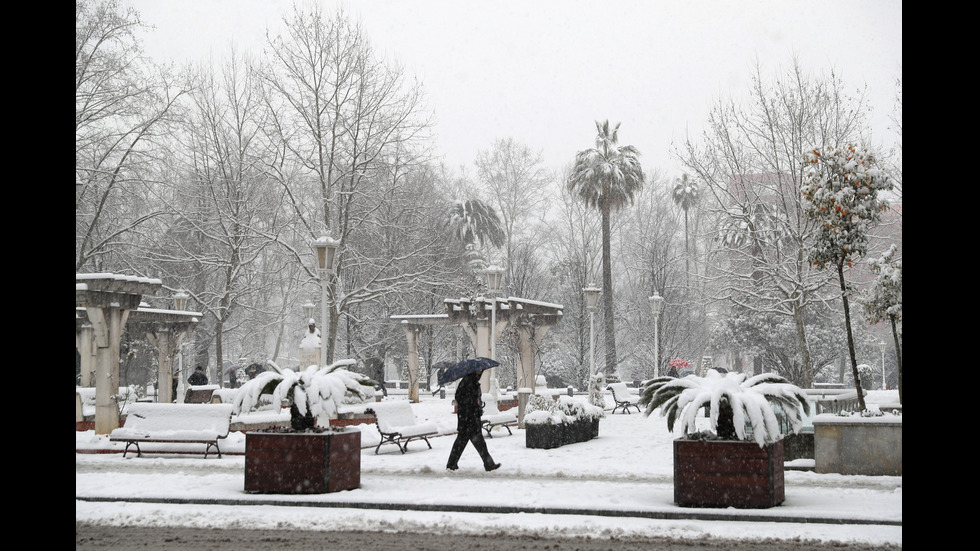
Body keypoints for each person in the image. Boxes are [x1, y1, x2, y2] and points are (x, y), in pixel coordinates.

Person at [446, 370, 500, 472]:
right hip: (467, 419)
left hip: (471, 418)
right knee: (466, 443)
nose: (481, 372)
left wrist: (477, 403)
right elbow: (459, 397)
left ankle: (452, 464)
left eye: (481, 370)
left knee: (469, 443)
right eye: (479, 370)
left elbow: (475, 398)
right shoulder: (467, 381)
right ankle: (488, 464)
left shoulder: (474, 382)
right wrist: (473, 401)